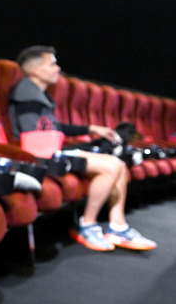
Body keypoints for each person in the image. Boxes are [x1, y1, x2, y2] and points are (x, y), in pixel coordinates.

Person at [9, 45, 156, 251]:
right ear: (35, 70)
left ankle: (118, 226)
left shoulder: (37, 94)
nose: (57, 69)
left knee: (120, 165)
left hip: (52, 150)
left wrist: (90, 128)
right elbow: (35, 136)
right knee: (110, 166)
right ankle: (87, 225)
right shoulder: (26, 94)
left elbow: (53, 128)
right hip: (38, 157)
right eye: (52, 64)